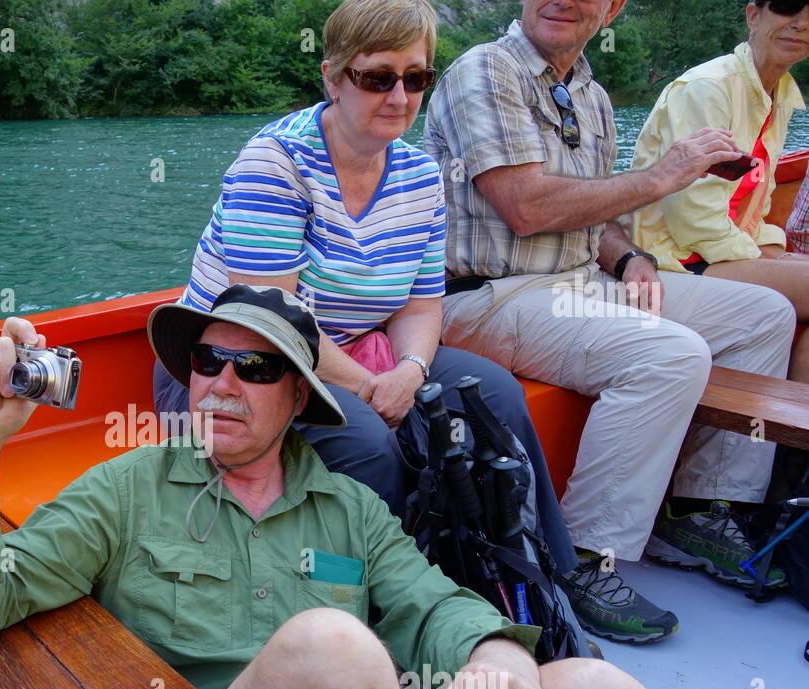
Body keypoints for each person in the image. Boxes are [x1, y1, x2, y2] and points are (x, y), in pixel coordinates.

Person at [0, 284, 807, 689]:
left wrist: (497, 654)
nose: (219, 383)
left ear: (299, 397)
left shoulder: (350, 508)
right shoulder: (127, 486)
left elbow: (433, 603)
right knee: (331, 650)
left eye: (254, 366)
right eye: (205, 361)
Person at [151, 0, 577, 577]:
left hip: (353, 351)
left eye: (416, 78)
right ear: (332, 77)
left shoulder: (421, 176)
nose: (399, 98)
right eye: (378, 78)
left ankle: (542, 574)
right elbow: (271, 320)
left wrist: (411, 373)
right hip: (232, 363)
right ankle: (367, 605)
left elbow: (422, 305)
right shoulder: (276, 163)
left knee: (495, 395)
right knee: (370, 442)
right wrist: (373, 389)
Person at [424, 0, 797, 644]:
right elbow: (526, 206)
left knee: (763, 313)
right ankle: (584, 563)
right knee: (668, 353)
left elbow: (593, 217)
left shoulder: (590, 94)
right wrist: (664, 176)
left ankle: (696, 510)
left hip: (579, 282)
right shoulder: (486, 72)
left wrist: (629, 258)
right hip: (489, 294)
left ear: (613, 7)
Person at [630, 0, 809, 384]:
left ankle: (792, 435)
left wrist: (773, 252)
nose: (801, 24)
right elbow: (691, 219)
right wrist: (770, 262)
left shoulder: (779, 95)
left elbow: (757, 203)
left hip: (717, 250)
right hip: (673, 258)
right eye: (787, 8)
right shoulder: (709, 88)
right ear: (753, 16)